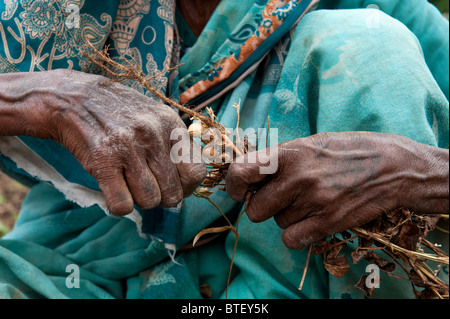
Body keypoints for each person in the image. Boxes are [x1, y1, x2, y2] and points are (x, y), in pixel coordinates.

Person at [0, 0, 448, 299]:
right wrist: (43, 98)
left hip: (319, 277)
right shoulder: (65, 16)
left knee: (367, 41)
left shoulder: (387, 10)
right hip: (94, 259)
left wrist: (412, 171)